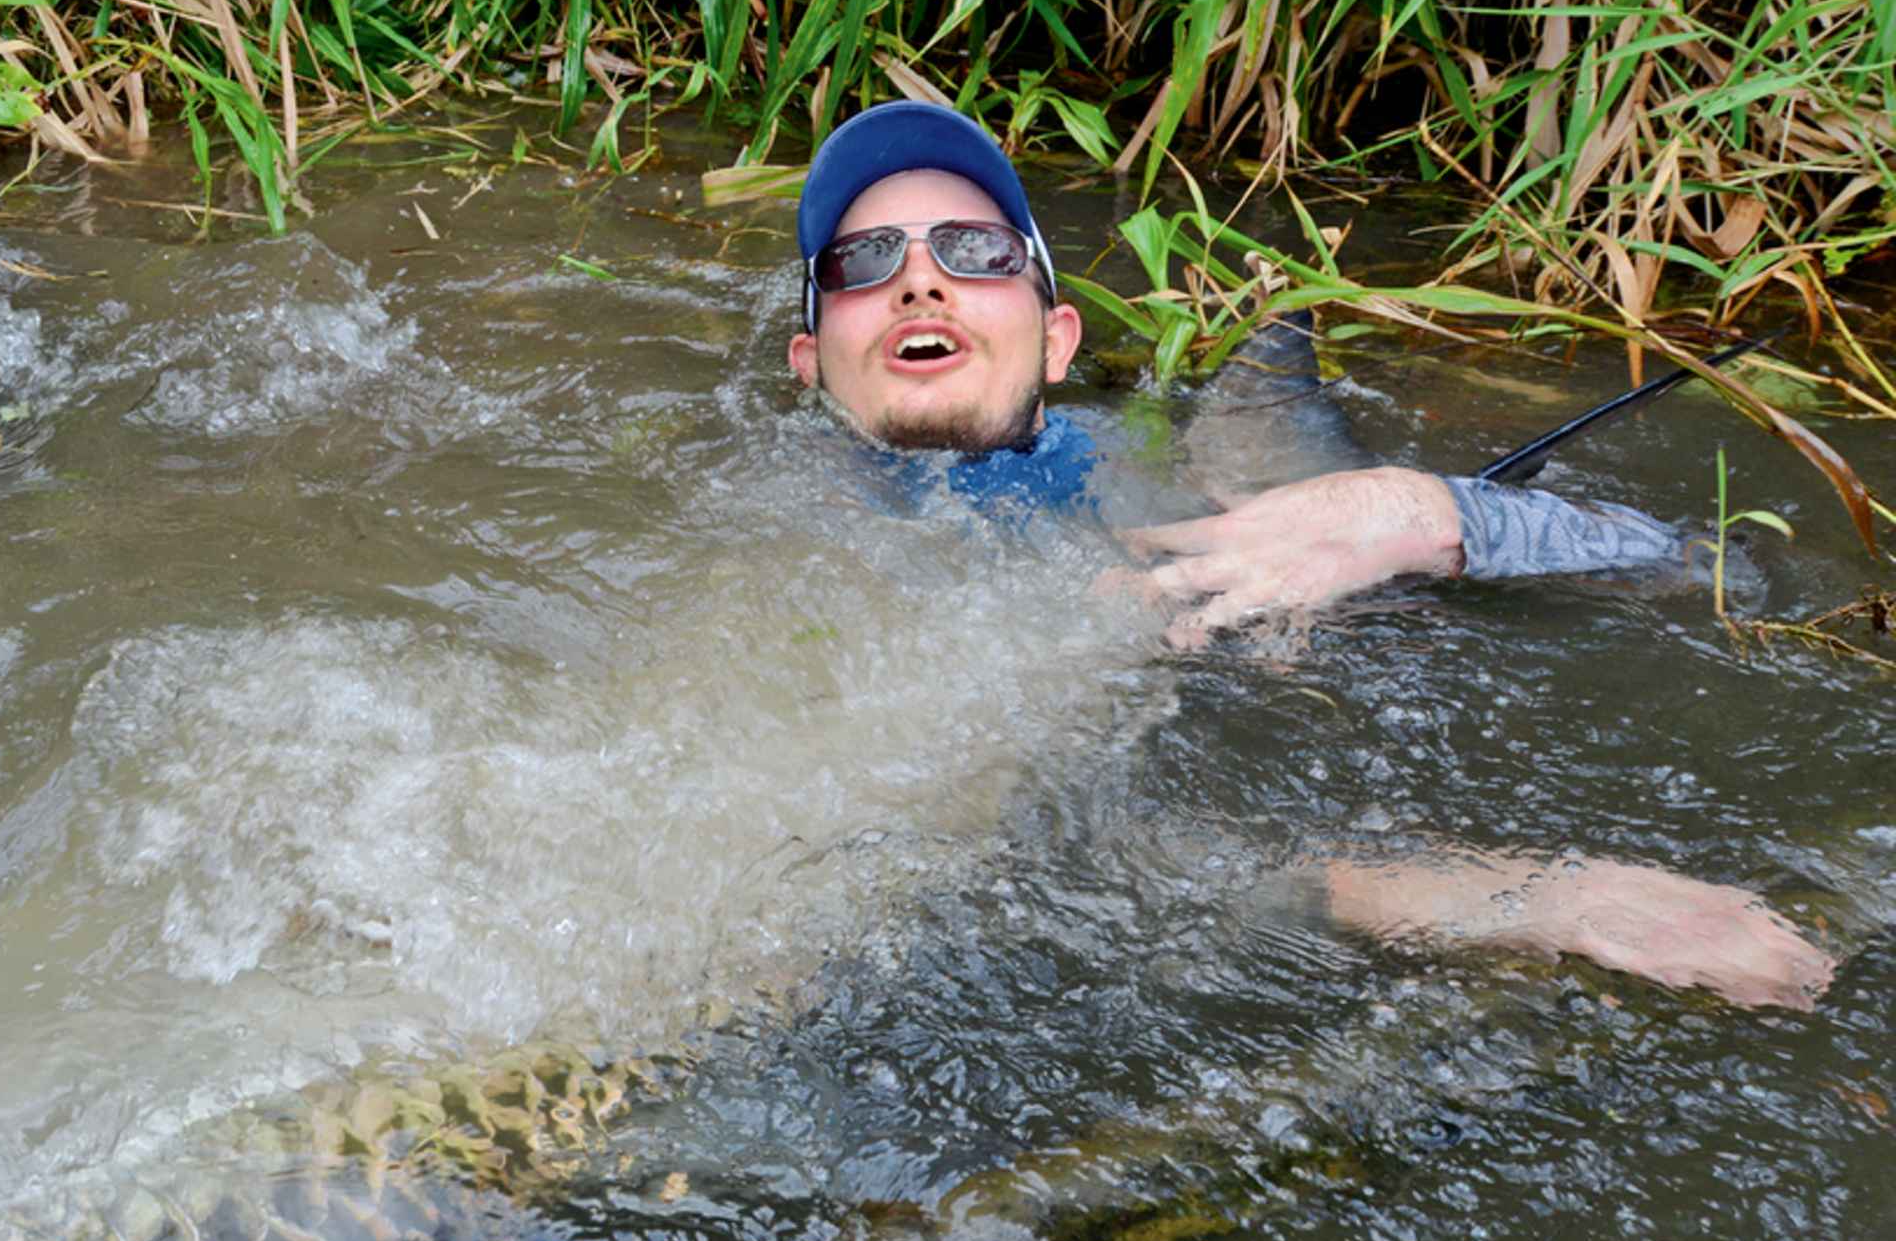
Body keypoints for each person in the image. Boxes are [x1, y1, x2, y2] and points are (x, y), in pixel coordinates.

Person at [784, 101, 1834, 1010]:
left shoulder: (1163, 472)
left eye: (977, 251)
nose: (921, 280)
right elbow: (1059, 868)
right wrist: (1520, 898)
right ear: (809, 360)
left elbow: (1722, 577)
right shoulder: (776, 574)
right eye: (863, 262)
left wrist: (1421, 512)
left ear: (1057, 338)